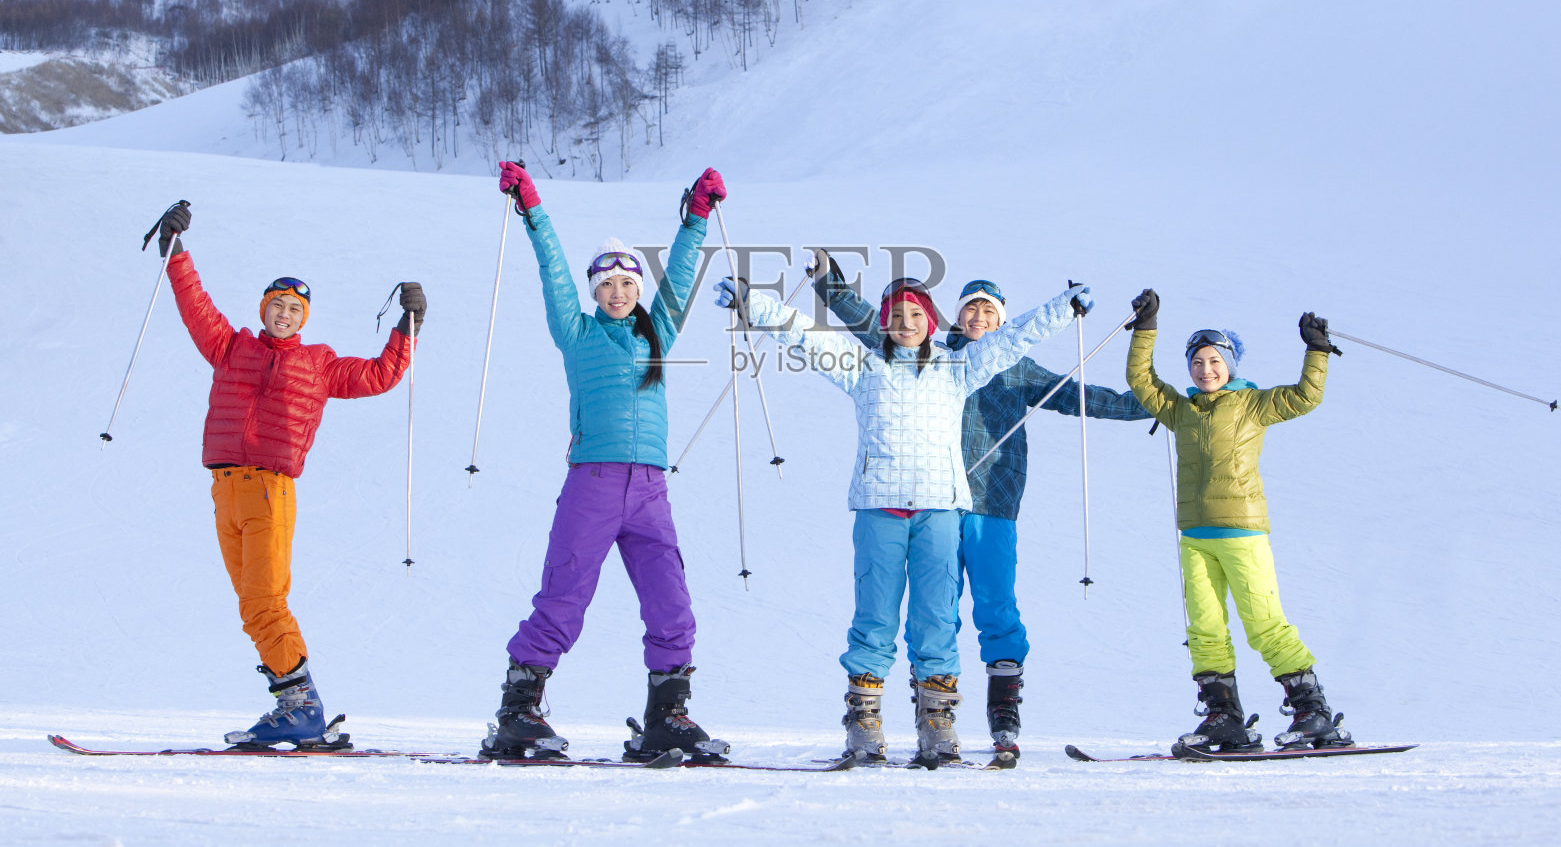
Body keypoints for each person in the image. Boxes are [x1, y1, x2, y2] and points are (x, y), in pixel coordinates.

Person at [717, 271, 1091, 765]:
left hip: (938, 509)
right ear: (887, 323)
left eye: (916, 314)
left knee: (935, 615)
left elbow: (1014, 337)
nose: (906, 322)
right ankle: (865, 720)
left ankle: (937, 718)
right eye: (896, 315)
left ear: (932, 321)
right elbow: (805, 334)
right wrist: (753, 303)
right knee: (875, 616)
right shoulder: (863, 366)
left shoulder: (959, 367)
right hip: (880, 507)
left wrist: (1064, 308)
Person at [810, 259, 1148, 757]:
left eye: (989, 311)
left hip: (992, 499)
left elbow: (1079, 396)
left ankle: (1004, 709)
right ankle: (934, 716)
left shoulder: (1017, 366)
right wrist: (829, 285)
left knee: (994, 604)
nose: (979, 318)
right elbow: (873, 322)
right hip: (933, 505)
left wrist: (1152, 404)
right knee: (936, 613)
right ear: (954, 318)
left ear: (1001, 321)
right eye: (970, 309)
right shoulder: (935, 357)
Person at [481, 161, 729, 764]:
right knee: (564, 596)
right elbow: (554, 274)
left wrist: (697, 214)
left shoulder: (657, 335)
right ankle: (519, 711)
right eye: (606, 285)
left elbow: (682, 275)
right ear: (594, 294)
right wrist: (532, 209)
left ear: (639, 291)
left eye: (627, 284)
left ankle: (666, 716)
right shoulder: (577, 333)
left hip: (649, 489)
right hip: (592, 482)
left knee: (671, 599)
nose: (617, 293)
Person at [150, 202, 421, 748]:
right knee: (252, 605)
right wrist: (175, 251)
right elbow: (195, 306)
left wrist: (408, 324)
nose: (284, 315)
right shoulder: (231, 348)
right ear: (264, 308)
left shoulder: (318, 364)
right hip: (225, 490)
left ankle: (301, 706)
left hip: (270, 491)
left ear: (305, 319)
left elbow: (380, 376)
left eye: (294, 310)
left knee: (266, 600)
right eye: (277, 306)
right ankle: (296, 704)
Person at [1123, 288, 1353, 753]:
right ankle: (1223, 718)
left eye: (1214, 361)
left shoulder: (1252, 404)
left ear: (1230, 364)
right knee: (1204, 628)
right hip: (1194, 535)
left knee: (1264, 621)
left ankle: (1314, 715)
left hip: (1243, 531)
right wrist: (1145, 328)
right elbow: (1141, 381)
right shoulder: (1180, 411)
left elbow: (1306, 397)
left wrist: (1316, 349)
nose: (1205, 370)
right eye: (1197, 363)